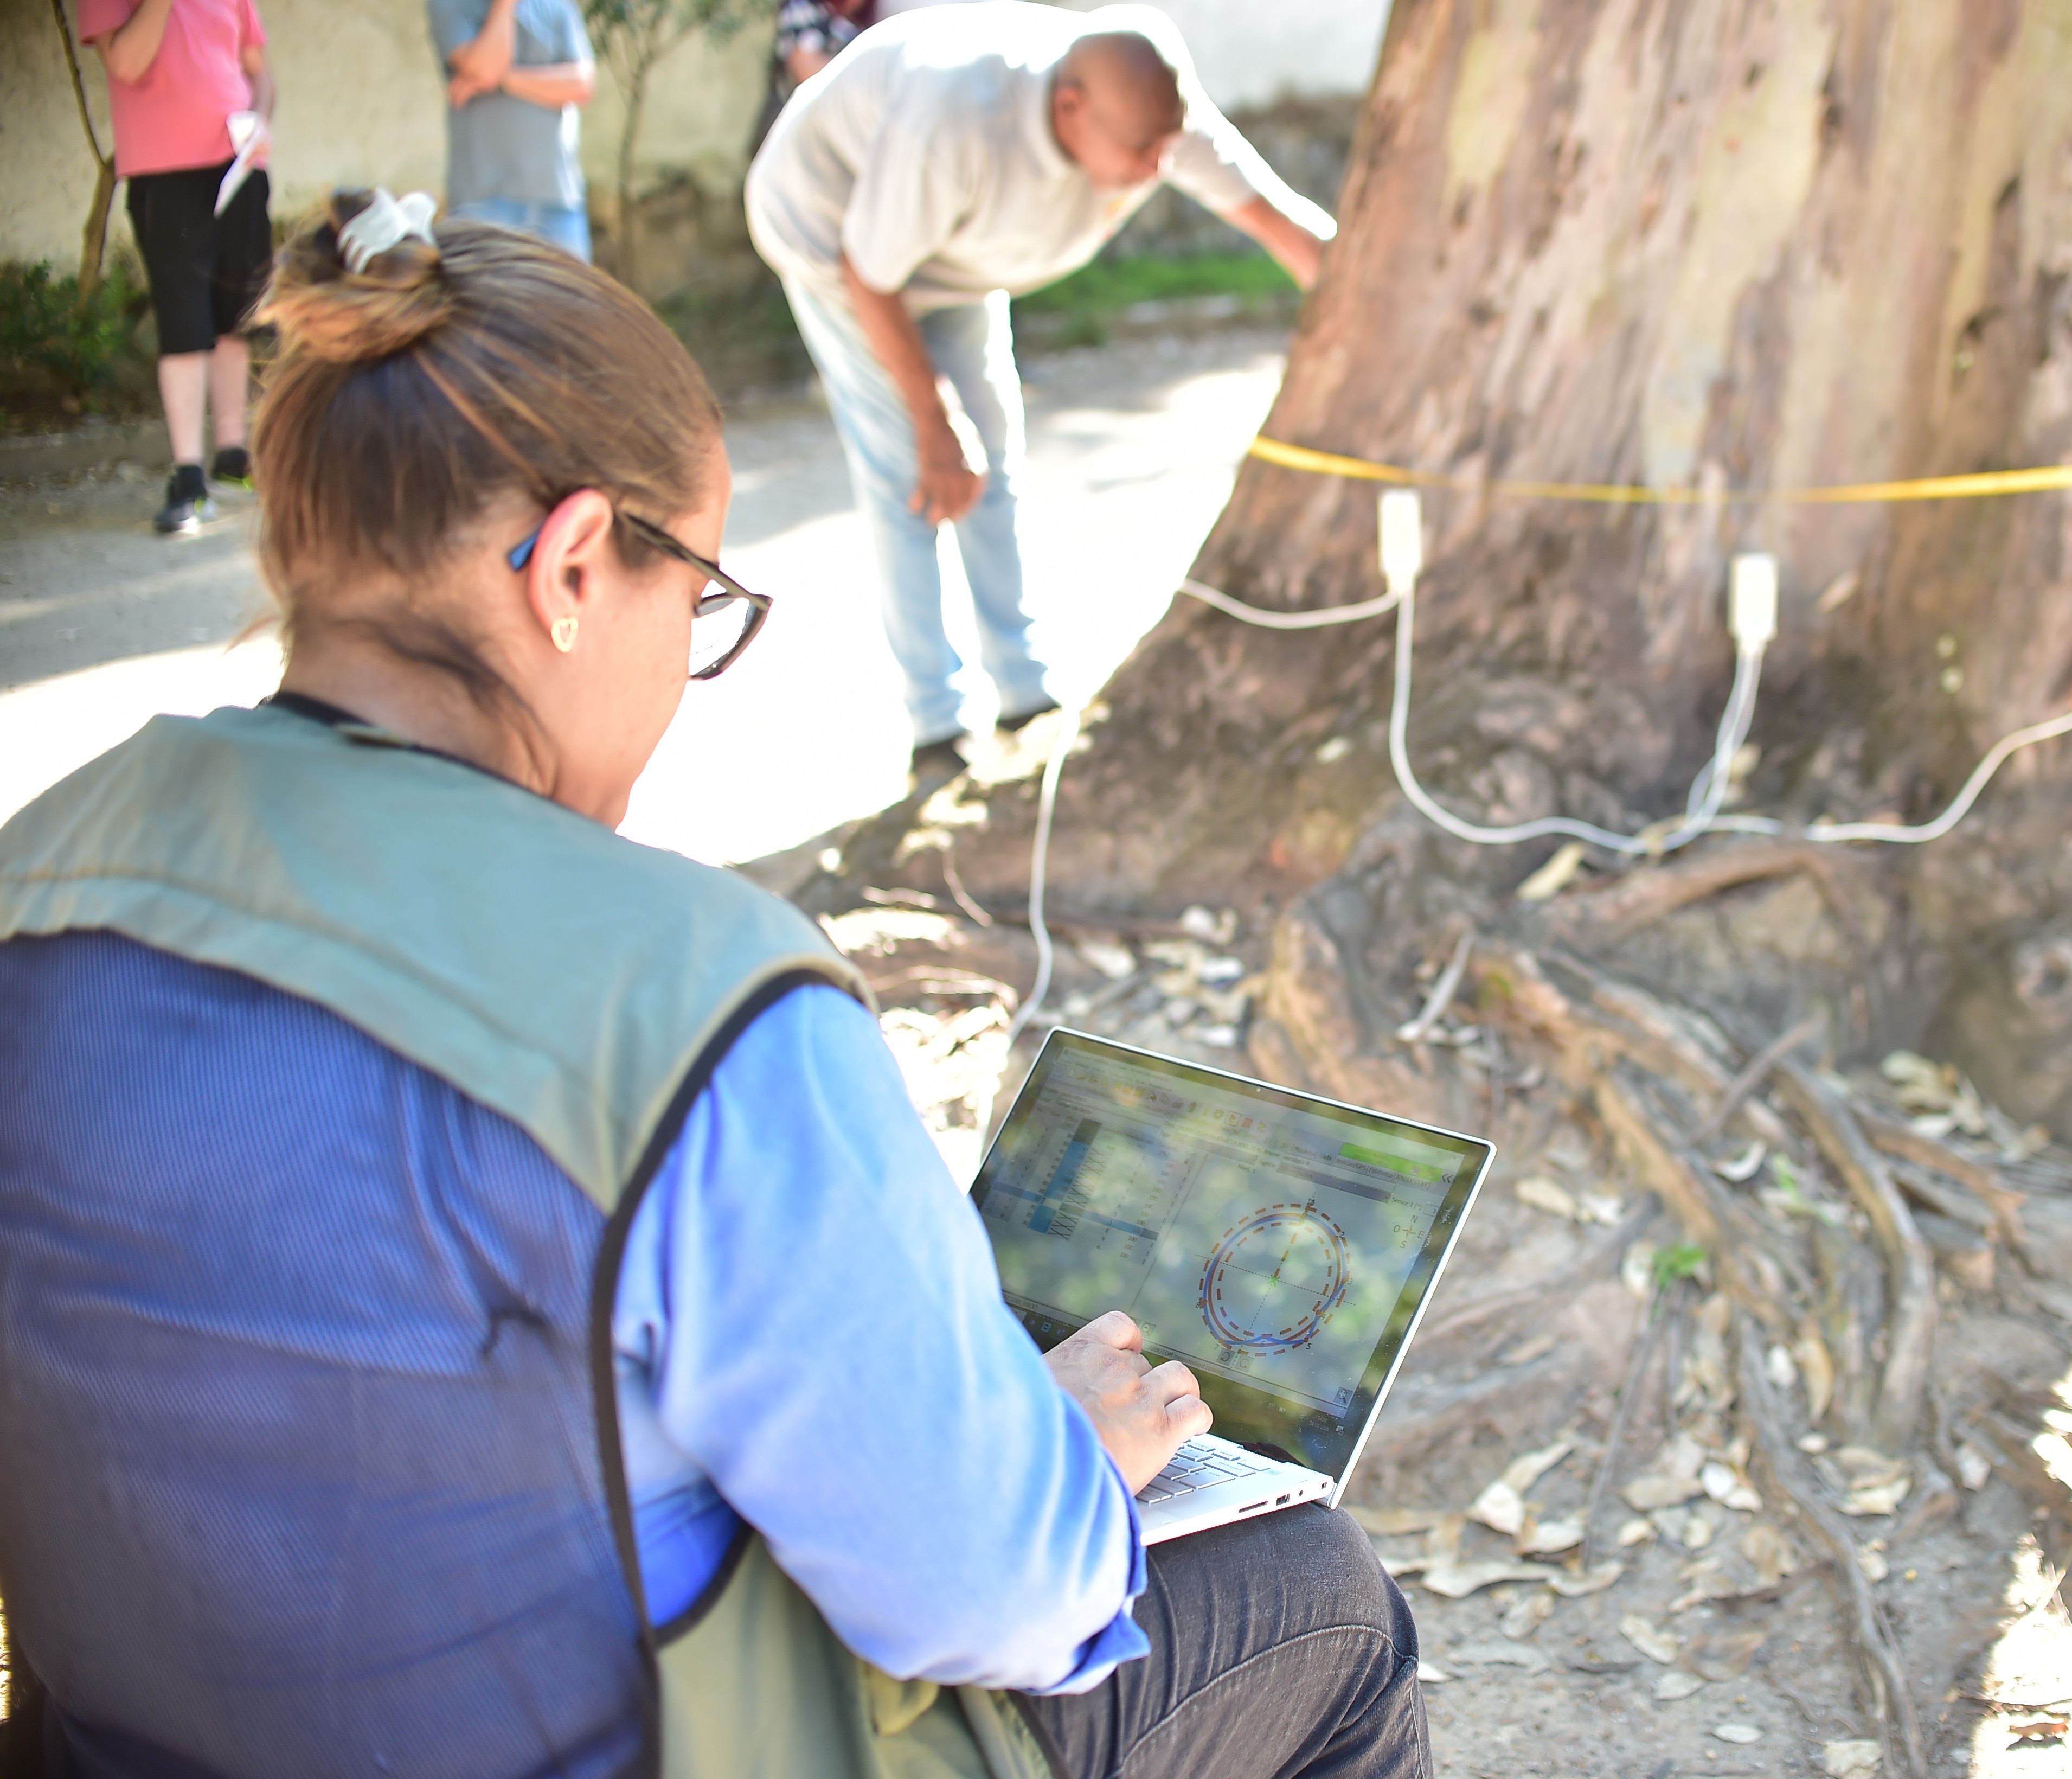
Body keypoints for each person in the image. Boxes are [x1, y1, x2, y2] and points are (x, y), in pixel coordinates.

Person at [0, 189, 1427, 1779]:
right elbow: (992, 1596)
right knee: (1321, 1602)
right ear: (575, 563)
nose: (688, 666)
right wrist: (1069, 1468)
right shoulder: (696, 999)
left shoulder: (37, 874)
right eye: (701, 608)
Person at [746, 1, 1336, 793]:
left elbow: (1285, 227)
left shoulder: (1149, 110)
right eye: (1139, 154)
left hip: (954, 253)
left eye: (1168, 148)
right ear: (1070, 109)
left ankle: (1024, 692)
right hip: (838, 243)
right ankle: (936, 725)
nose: (1157, 169)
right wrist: (932, 417)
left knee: (994, 455)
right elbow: (871, 274)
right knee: (915, 474)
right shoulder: (957, 117)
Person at [79, 0, 275, 535]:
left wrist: (260, 118)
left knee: (237, 314)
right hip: (165, 173)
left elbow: (259, 70)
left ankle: (232, 456)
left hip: (238, 166)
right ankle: (188, 476)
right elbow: (124, 64)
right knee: (184, 322)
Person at [427, 0, 598, 258]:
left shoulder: (558, 5)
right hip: (482, 204)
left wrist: (500, 81)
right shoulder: (450, 4)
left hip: (559, 202)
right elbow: (486, 68)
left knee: (570, 300)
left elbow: (582, 86)